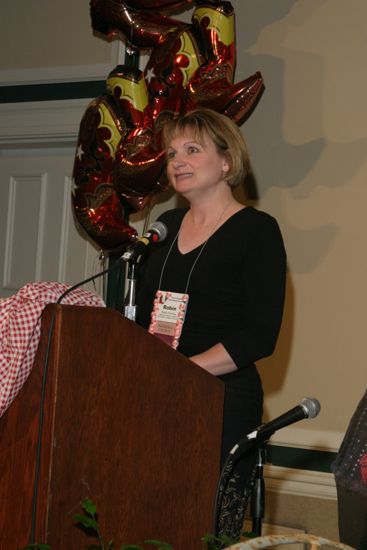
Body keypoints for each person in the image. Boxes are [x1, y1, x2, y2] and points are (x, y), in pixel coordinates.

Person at [136, 108, 287, 538]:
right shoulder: (162, 229)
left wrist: (184, 372)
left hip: (222, 401)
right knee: (149, 519)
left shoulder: (256, 230)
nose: (176, 161)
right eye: (171, 153)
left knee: (206, 529)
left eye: (192, 150)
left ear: (226, 162)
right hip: (155, 395)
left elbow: (260, 334)